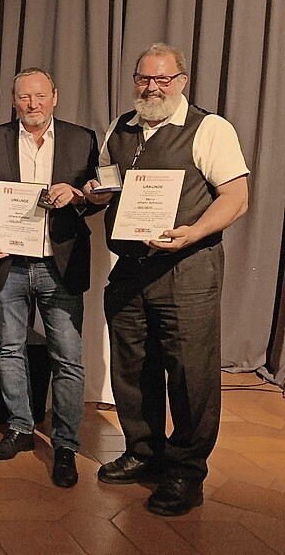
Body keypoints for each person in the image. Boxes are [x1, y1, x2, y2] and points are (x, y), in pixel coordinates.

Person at [84, 43, 248, 516]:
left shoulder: (209, 128)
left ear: (181, 81)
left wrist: (193, 231)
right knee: (132, 367)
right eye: (143, 78)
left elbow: (236, 196)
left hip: (187, 269)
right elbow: (106, 188)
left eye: (162, 79)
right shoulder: (120, 127)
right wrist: (94, 194)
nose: (151, 88)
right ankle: (143, 450)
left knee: (190, 373)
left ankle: (186, 469)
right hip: (130, 268)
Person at [0, 68, 99, 487]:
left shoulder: (82, 140)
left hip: (58, 265)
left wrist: (79, 195)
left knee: (68, 359)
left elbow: (98, 197)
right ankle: (21, 428)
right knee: (10, 350)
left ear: (55, 96)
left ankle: (65, 445)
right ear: (14, 100)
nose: (33, 104)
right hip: (8, 264)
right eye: (24, 97)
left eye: (40, 96)